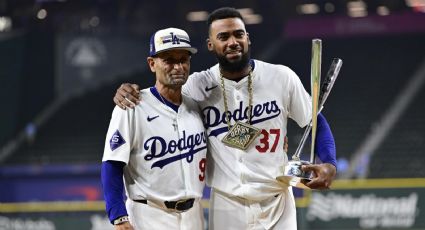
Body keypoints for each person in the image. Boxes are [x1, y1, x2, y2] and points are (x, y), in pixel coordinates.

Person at [113, 7, 337, 230]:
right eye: (223, 37)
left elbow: (315, 120)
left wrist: (329, 162)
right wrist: (128, 91)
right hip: (227, 205)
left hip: (277, 201)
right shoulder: (195, 86)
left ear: (248, 38)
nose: (232, 42)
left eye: (238, 34)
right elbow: (159, 95)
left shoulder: (281, 77)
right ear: (210, 44)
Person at [101, 27, 207, 230]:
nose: (178, 67)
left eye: (183, 59)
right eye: (168, 60)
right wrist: (119, 217)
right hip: (149, 214)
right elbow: (112, 164)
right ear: (152, 64)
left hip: (194, 215)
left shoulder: (196, 106)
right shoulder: (131, 106)